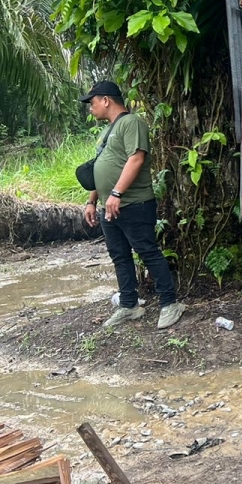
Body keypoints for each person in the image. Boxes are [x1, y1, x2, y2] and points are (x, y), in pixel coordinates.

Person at [80, 80, 184, 330]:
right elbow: (98, 169)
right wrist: (92, 201)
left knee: (147, 251)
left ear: (106, 100)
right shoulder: (107, 131)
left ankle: (170, 304)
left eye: (92, 102)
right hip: (109, 206)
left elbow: (136, 158)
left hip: (134, 203)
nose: (90, 108)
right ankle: (129, 304)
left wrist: (117, 192)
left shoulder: (132, 123)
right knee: (119, 255)